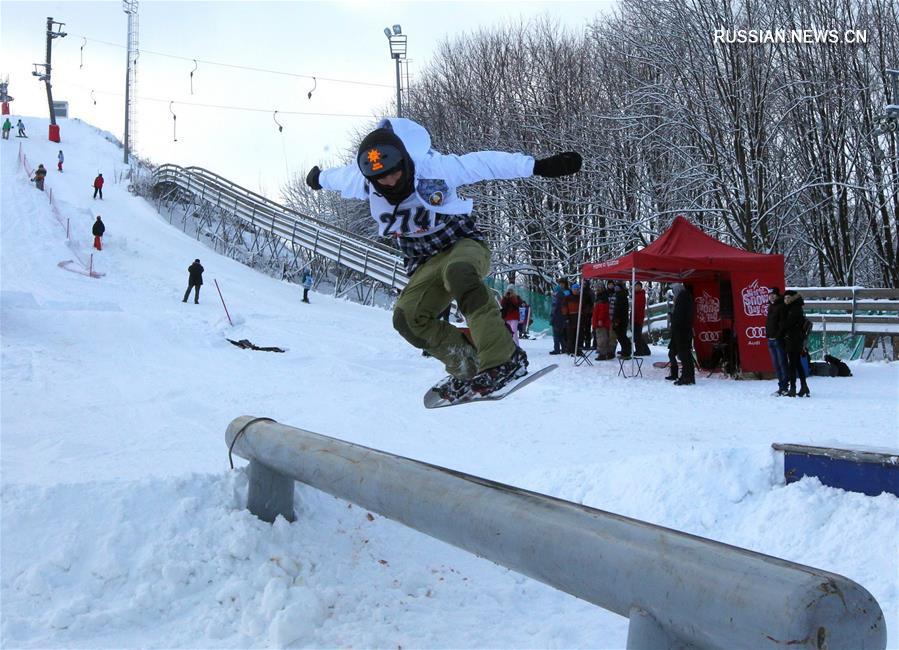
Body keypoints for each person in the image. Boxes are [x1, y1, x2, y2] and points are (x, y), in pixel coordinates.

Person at [306, 117, 582, 399]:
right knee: (407, 318)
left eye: (394, 173)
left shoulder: (433, 169)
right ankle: (468, 363)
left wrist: (537, 166)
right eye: (381, 178)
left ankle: (503, 359)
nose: (389, 182)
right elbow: (337, 177)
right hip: (424, 262)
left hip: (462, 243)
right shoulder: (363, 182)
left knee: (458, 272)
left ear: (404, 162)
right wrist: (318, 178)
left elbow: (483, 163)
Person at [780, 290, 810, 397]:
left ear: (793, 298)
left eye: (788, 298)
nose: (786, 300)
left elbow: (787, 324)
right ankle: (804, 386)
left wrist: (783, 319)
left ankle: (793, 388)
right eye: (785, 298)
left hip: (794, 339)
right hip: (794, 339)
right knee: (797, 363)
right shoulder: (795, 308)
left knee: (792, 364)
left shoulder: (794, 309)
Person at [666, 283, 695, 385]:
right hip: (681, 331)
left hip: (682, 332)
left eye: (674, 291)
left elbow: (680, 317)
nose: (673, 294)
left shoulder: (683, 299)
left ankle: (686, 377)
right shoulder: (683, 299)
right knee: (682, 354)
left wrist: (673, 319)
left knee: (684, 355)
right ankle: (687, 376)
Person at [766, 287, 789, 396]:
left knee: (782, 363)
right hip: (770, 339)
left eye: (773, 294)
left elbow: (783, 324)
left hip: (778, 340)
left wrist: (778, 335)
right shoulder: (770, 307)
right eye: (770, 294)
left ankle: (785, 386)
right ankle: (781, 386)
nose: (771, 296)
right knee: (776, 365)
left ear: (778, 295)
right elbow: (769, 322)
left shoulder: (781, 307)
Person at [591, 282, 612, 360]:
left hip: (601, 321)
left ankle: (603, 354)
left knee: (602, 338)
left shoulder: (602, 298)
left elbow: (603, 310)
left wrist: (600, 319)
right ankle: (604, 352)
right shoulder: (600, 297)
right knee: (601, 337)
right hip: (598, 320)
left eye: (598, 288)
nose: (597, 290)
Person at [610, 281, 632, 358]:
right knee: (621, 335)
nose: (616, 289)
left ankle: (627, 351)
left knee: (621, 335)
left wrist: (616, 320)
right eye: (615, 287)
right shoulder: (619, 295)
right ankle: (625, 349)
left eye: (617, 288)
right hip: (620, 318)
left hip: (620, 319)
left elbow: (619, 309)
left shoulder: (621, 296)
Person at [550, 279, 569, 355]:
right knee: (560, 334)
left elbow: (554, 310)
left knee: (557, 335)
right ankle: (563, 348)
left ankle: (557, 349)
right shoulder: (563, 295)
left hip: (558, 317)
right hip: (560, 317)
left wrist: (552, 319)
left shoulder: (558, 297)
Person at [633, 281, 651, 356]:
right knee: (637, 335)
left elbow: (639, 308)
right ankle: (645, 350)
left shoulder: (641, 295)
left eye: (638, 286)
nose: (637, 287)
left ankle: (639, 350)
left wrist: (635, 317)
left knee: (637, 336)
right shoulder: (635, 295)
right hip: (635, 317)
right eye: (636, 286)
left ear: (640, 287)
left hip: (638, 317)